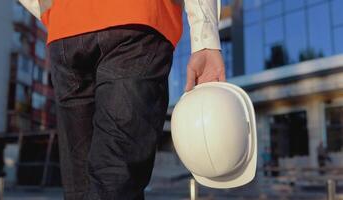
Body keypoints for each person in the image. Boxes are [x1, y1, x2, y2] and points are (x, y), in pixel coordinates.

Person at [21, 0, 226, 199]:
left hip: (66, 31)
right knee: (114, 179)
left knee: (82, 185)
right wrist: (205, 39)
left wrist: (53, 11)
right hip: (136, 18)